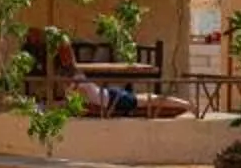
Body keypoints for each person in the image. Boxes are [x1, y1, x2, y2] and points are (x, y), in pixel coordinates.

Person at [33, 30, 195, 119]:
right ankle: (186, 105)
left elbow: (66, 49)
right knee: (148, 98)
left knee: (148, 99)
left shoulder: (72, 80)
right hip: (111, 98)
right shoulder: (73, 82)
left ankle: (186, 105)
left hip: (113, 99)